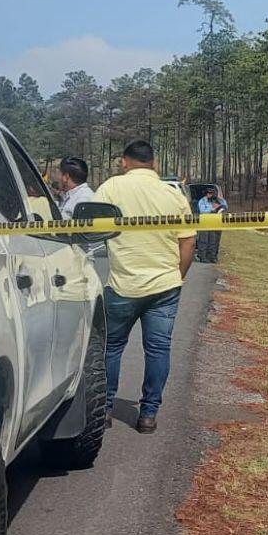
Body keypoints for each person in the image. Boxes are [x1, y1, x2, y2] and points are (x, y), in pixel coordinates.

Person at [93, 140, 196, 434]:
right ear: (154, 162)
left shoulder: (111, 188)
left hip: (123, 284)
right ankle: (148, 415)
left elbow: (91, 228)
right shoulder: (172, 193)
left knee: (112, 348)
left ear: (125, 162)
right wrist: (178, 276)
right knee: (158, 349)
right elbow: (188, 241)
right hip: (165, 286)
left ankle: (105, 409)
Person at [196, 186, 227, 264]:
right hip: (204, 222)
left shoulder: (216, 200)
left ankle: (211, 257)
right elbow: (202, 211)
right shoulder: (202, 201)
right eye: (210, 193)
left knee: (212, 241)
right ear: (206, 194)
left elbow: (225, 206)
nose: (211, 195)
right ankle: (202, 256)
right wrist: (212, 209)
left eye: (213, 193)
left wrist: (220, 199)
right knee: (203, 240)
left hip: (214, 223)